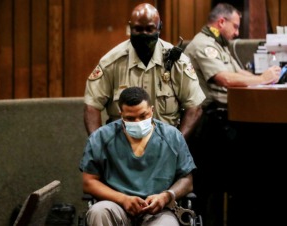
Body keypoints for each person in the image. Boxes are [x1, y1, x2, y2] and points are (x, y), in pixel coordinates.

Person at [184, 3, 281, 226]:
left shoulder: (220, 44)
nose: (237, 33)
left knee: (240, 181)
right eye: (235, 27)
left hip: (225, 122)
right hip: (206, 124)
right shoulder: (203, 45)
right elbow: (225, 79)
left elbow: (238, 72)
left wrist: (266, 77)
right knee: (207, 187)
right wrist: (262, 79)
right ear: (221, 22)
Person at [83, 3, 205, 141]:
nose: (144, 34)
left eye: (149, 29)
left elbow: (194, 107)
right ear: (130, 27)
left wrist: (177, 144)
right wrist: (99, 145)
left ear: (160, 27)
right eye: (138, 29)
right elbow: (91, 107)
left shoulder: (178, 62)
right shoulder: (111, 62)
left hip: (165, 144)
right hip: (121, 145)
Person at [79, 86, 197, 226]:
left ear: (152, 110)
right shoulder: (102, 137)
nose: (137, 122)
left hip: (159, 211)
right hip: (116, 205)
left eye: (143, 116)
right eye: (130, 118)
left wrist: (166, 196)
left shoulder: (172, 137)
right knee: (98, 211)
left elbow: (187, 181)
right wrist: (123, 199)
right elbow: (88, 182)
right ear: (120, 114)